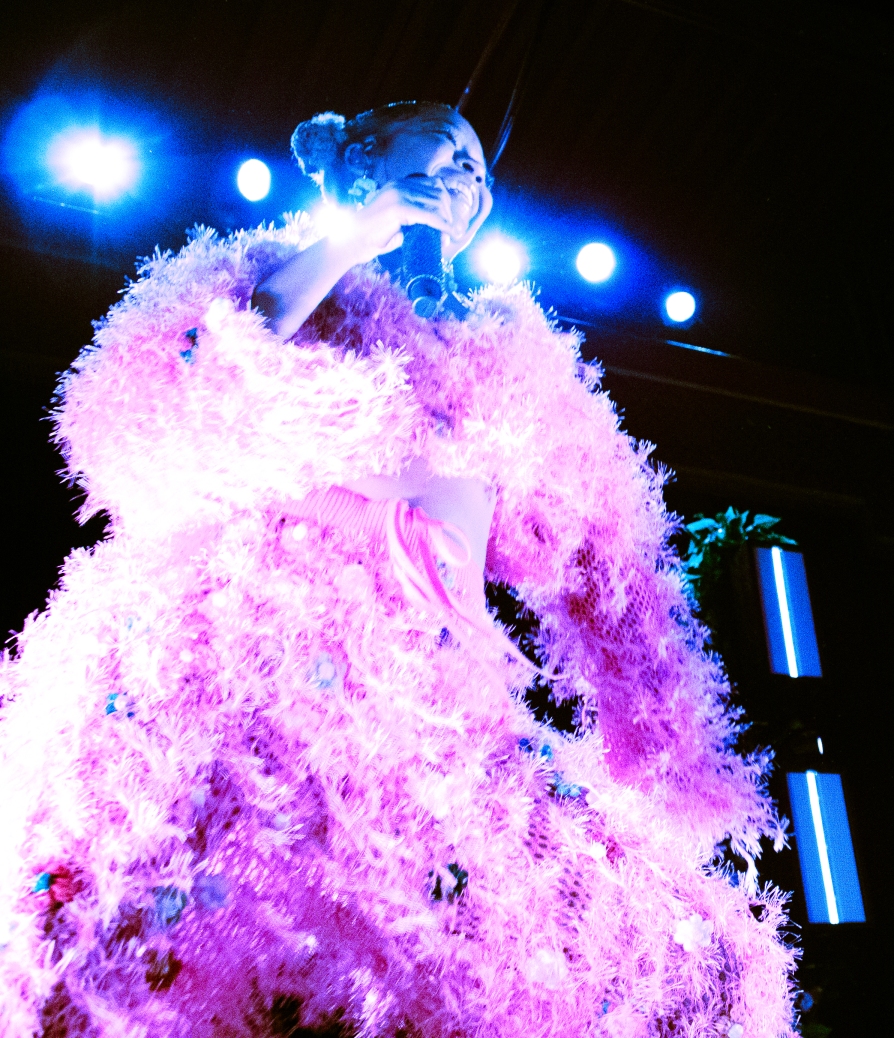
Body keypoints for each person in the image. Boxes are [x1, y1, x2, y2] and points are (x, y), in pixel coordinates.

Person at [0, 101, 795, 1037]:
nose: (465, 175)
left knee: (689, 969)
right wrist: (357, 235)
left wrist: (668, 745)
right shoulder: (283, 269)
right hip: (262, 639)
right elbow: (184, 374)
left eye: (479, 171)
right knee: (147, 915)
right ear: (358, 164)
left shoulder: (514, 357)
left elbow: (611, 560)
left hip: (435, 692)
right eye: (445, 149)